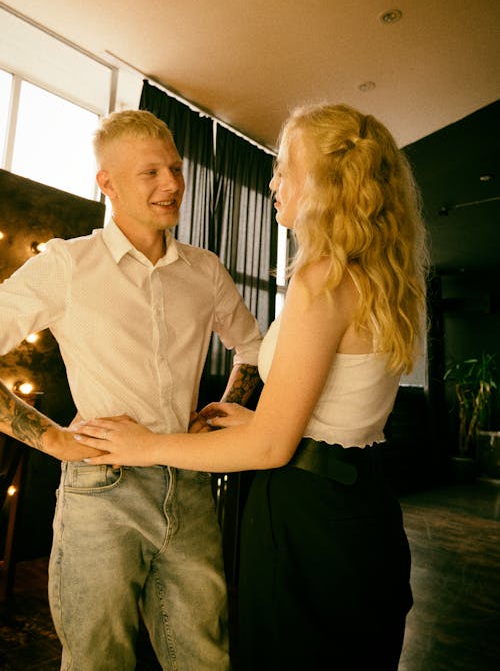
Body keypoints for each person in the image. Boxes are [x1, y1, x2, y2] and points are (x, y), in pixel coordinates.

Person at [74, 102, 429, 670]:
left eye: (285, 168)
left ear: (330, 183)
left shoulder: (322, 278)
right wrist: (253, 419)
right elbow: (339, 413)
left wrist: (143, 444)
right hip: (358, 500)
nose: (274, 182)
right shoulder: (379, 273)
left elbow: (272, 447)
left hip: (309, 515)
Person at [0, 109, 263, 671]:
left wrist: (225, 410)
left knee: (205, 659)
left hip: (190, 486)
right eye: (151, 173)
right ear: (107, 183)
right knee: (98, 661)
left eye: (175, 167)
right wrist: (50, 440)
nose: (172, 184)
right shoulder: (67, 264)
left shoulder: (206, 271)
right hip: (102, 491)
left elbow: (254, 346)